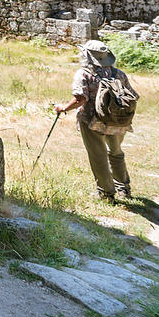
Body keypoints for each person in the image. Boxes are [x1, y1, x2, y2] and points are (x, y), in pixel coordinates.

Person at [53, 40, 134, 203]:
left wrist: (63, 108)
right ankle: (123, 188)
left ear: (87, 56)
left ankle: (106, 193)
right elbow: (131, 95)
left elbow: (80, 99)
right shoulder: (119, 74)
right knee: (116, 152)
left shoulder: (84, 74)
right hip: (118, 121)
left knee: (99, 155)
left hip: (92, 121)